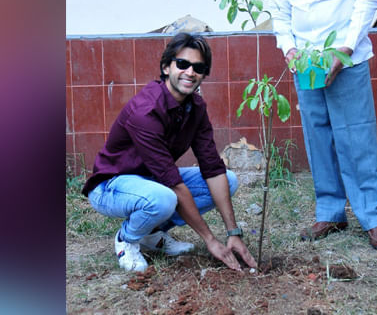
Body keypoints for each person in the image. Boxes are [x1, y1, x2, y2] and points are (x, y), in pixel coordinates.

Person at [268, 0, 377, 251]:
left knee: (357, 138)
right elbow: (279, 13)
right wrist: (288, 49)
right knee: (318, 138)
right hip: (306, 65)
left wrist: (345, 50)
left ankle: (374, 217)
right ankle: (331, 212)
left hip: (347, 61)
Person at [81, 33, 258, 271]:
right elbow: (173, 184)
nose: (190, 72)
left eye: (199, 67)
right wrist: (210, 240)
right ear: (166, 67)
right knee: (163, 198)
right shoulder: (146, 111)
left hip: (153, 181)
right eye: (182, 64)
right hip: (111, 186)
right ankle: (127, 239)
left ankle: (152, 233)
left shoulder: (195, 107)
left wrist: (233, 232)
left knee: (228, 179)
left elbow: (212, 167)